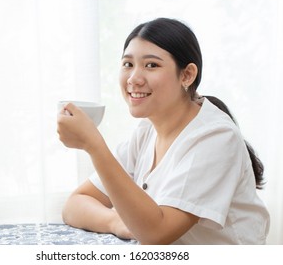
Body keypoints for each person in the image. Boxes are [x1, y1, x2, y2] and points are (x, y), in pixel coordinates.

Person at [57, 18, 270, 244]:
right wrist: (117, 222)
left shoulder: (216, 137)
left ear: (187, 75)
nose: (133, 79)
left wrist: (94, 145)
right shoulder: (146, 132)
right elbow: (75, 204)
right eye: (128, 64)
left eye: (151, 65)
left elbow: (156, 234)